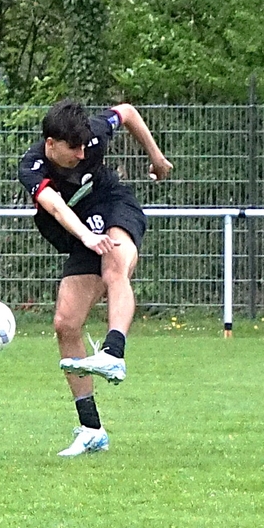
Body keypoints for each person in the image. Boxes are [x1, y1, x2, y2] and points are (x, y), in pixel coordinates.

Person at [18, 99, 172, 457]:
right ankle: (91, 430)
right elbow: (55, 206)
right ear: (51, 143)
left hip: (115, 205)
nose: (81, 153)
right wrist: (86, 236)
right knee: (65, 323)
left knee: (114, 265)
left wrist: (157, 158)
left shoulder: (94, 134)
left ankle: (114, 352)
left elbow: (127, 112)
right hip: (82, 229)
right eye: (73, 148)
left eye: (84, 146)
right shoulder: (32, 166)